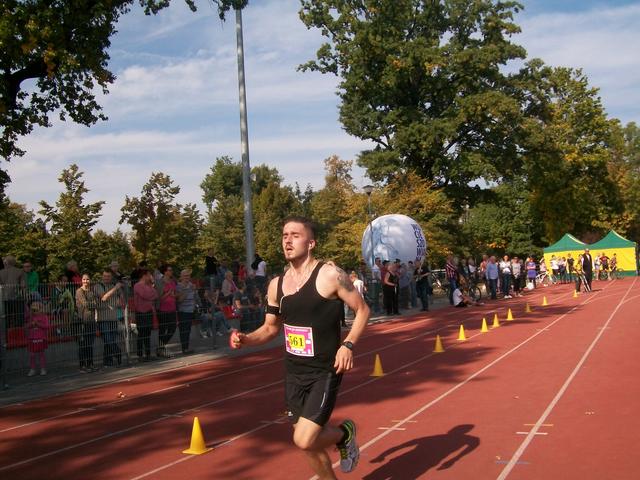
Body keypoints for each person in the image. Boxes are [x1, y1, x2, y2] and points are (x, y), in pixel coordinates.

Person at [230, 216, 369, 478]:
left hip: (324, 370)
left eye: (295, 235)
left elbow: (362, 310)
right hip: (294, 372)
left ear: (311, 243)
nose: (288, 240)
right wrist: (246, 338)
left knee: (304, 439)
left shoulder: (330, 275)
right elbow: (270, 328)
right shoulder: (276, 285)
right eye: (285, 236)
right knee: (307, 444)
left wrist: (348, 345)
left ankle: (344, 434)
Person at [95, 269, 124, 367]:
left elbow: (121, 300)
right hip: (103, 319)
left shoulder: (114, 285)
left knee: (110, 341)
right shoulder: (98, 286)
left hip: (113, 318)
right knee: (108, 340)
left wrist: (121, 289)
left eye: (108, 276)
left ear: (111, 277)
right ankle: (118, 353)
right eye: (104, 276)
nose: (106, 278)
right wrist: (116, 288)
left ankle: (108, 361)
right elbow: (103, 297)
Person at [133, 268, 157, 361]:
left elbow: (155, 295)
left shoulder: (149, 285)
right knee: (141, 334)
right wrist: (151, 293)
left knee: (148, 333)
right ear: (144, 276)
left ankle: (148, 354)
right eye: (149, 275)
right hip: (141, 312)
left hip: (148, 311)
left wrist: (151, 288)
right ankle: (140, 355)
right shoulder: (137, 285)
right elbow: (146, 295)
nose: (150, 277)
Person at [75, 273, 98, 372]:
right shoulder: (79, 291)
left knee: (90, 344)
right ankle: (82, 366)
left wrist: (92, 304)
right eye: (84, 279)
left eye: (87, 279)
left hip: (91, 321)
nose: (85, 281)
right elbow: (85, 304)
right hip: (83, 321)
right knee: (83, 344)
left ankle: (90, 364)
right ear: (81, 280)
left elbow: (96, 303)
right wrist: (92, 304)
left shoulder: (91, 291)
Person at [176, 269, 200, 354]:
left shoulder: (191, 285)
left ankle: (186, 347)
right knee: (184, 330)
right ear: (181, 277)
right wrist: (187, 290)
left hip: (191, 310)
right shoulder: (178, 286)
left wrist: (195, 290)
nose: (187, 277)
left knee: (188, 329)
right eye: (185, 276)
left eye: (188, 276)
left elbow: (195, 297)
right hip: (183, 311)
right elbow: (179, 300)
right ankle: (184, 348)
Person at [155, 264, 177, 357]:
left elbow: (175, 294)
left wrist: (174, 295)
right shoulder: (159, 282)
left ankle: (160, 347)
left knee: (173, 328)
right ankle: (161, 349)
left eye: (171, 270)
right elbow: (158, 298)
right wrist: (168, 293)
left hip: (172, 308)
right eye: (169, 270)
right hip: (162, 309)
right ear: (165, 272)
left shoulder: (173, 281)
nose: (171, 272)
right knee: (162, 329)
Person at [26, 301, 49, 376]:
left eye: (36, 310)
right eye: (33, 310)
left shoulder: (44, 317)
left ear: (40, 309)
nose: (34, 312)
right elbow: (27, 326)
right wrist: (31, 324)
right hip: (32, 338)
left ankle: (43, 369)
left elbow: (47, 326)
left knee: (41, 354)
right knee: (32, 355)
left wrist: (38, 324)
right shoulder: (30, 317)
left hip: (40, 337)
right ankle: (32, 369)